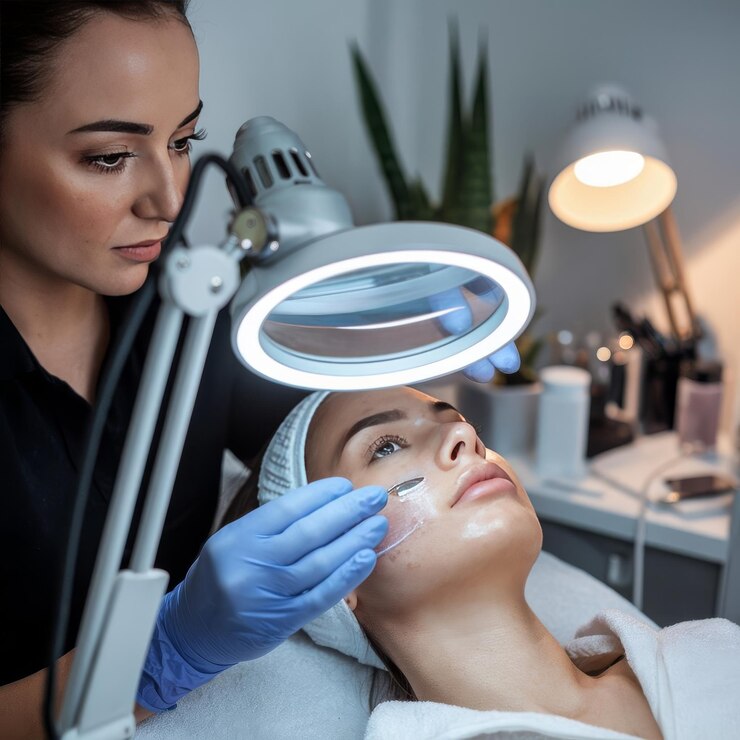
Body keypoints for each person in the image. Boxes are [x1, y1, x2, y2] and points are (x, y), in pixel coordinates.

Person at [0, 2, 518, 734]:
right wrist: (162, 656)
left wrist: (395, 324)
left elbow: (316, 440)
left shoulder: (184, 305)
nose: (169, 200)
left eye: (184, 141)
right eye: (110, 157)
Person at [238, 386, 740, 740]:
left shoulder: (713, 653)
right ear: (331, 576)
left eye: (457, 420)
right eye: (385, 447)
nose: (464, 436)